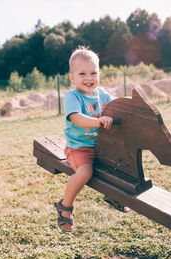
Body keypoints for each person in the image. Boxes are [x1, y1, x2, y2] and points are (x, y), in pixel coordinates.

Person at [54, 46, 127, 232]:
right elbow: (76, 118)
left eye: (93, 72)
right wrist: (98, 121)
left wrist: (128, 105)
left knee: (123, 163)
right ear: (72, 77)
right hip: (80, 147)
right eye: (82, 73)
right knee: (85, 172)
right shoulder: (73, 96)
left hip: (101, 146)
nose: (89, 78)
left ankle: (114, 196)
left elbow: (116, 106)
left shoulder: (102, 94)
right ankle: (65, 207)